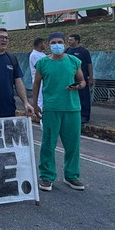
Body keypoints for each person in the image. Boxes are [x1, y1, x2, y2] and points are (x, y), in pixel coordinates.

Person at [31, 32, 86, 192]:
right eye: (54, 42)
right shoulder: (42, 63)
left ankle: (71, 176)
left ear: (64, 44)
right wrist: (35, 105)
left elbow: (82, 80)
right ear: (48, 45)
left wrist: (79, 85)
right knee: (48, 144)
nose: (57, 45)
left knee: (73, 145)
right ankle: (46, 177)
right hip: (51, 108)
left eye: (60, 42)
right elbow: (36, 85)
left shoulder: (74, 61)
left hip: (72, 108)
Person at [66, 34, 93, 123]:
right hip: (71, 78)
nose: (69, 41)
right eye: (68, 40)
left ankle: (84, 116)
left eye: (71, 40)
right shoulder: (67, 51)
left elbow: (89, 64)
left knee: (84, 97)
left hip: (82, 78)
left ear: (77, 41)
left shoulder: (84, 51)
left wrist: (90, 78)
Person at [27, 37, 47, 111]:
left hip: (45, 81)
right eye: (44, 43)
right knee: (40, 101)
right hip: (39, 81)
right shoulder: (34, 55)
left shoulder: (42, 54)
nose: (45, 45)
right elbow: (41, 69)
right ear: (39, 44)